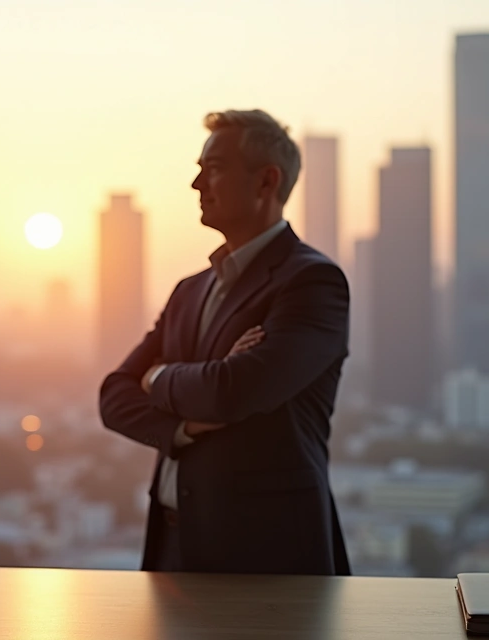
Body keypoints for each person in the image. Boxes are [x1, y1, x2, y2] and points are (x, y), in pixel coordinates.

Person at [98, 109, 351, 575]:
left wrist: (156, 377)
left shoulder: (312, 282)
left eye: (212, 169)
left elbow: (233, 391)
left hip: (267, 557)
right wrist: (186, 425)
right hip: (171, 548)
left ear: (265, 181)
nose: (196, 185)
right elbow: (113, 396)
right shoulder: (188, 291)